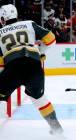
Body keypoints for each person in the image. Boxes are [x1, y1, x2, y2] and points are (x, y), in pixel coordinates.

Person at [0, 4, 63, 135]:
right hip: (34, 65)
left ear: (2, 19)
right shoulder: (29, 24)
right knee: (40, 100)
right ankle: (57, 130)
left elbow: (1, 62)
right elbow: (51, 39)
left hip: (13, 67)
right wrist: (40, 52)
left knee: (0, 97)